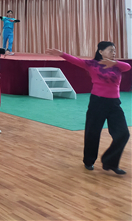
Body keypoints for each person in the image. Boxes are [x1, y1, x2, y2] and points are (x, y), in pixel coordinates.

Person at [46, 43, 130, 174]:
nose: (114, 53)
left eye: (114, 50)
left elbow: (128, 66)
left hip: (114, 104)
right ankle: (89, 161)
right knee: (92, 133)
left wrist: (114, 63)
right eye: (110, 50)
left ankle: (110, 162)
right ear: (101, 51)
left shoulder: (117, 66)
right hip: (97, 102)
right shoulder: (92, 64)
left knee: (123, 134)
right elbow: (75, 60)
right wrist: (62, 54)